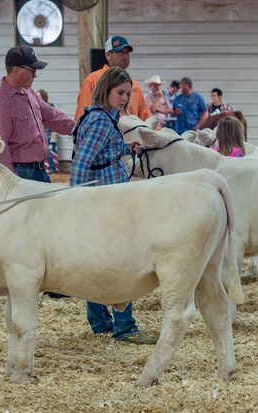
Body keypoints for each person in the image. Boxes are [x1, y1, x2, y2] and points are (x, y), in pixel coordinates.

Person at [70, 66, 157, 345]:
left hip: (106, 199)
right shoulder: (100, 121)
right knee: (122, 263)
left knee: (96, 262)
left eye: (128, 93)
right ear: (105, 90)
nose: (124, 98)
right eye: (120, 92)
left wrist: (125, 149)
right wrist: (76, 203)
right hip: (105, 203)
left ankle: (100, 323)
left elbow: (100, 152)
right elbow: (82, 162)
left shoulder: (104, 118)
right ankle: (124, 327)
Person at [0, 45, 75, 181]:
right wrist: (11, 182)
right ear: (16, 71)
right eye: (32, 71)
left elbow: (52, 116)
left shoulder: (29, 92)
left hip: (39, 169)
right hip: (22, 173)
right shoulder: (1, 105)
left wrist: (79, 128)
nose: (35, 75)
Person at [75, 36, 152, 121]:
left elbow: (146, 118)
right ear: (108, 55)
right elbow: (82, 117)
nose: (125, 56)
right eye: (120, 53)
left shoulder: (134, 85)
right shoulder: (93, 80)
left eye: (127, 53)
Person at [36, 89, 58, 173]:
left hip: (46, 130)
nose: (36, 97)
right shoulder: (35, 105)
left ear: (43, 97)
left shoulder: (49, 106)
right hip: (38, 130)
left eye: (38, 96)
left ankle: (51, 167)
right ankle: (47, 167)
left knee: (46, 149)